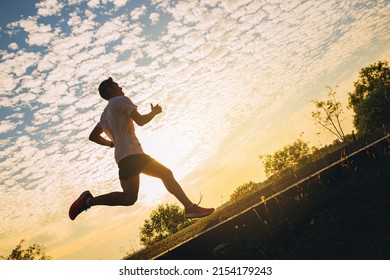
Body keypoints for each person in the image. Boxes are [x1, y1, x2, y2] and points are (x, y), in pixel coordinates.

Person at [69, 77, 214, 220]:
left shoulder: (104, 114)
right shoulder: (121, 100)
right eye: (117, 86)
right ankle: (189, 208)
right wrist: (154, 113)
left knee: (129, 198)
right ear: (110, 89)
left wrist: (112, 143)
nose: (121, 88)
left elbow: (93, 136)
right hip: (132, 154)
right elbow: (141, 121)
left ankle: (88, 201)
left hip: (122, 158)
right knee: (166, 174)